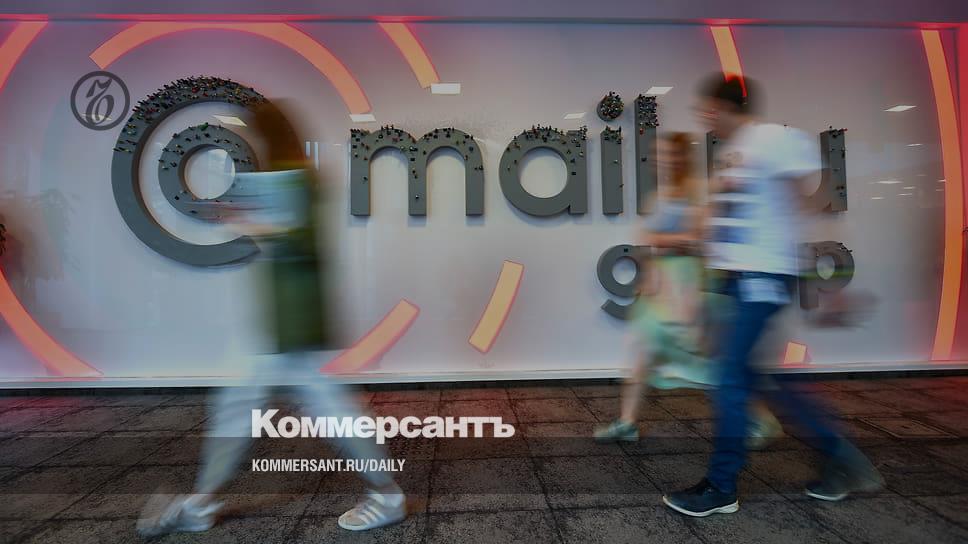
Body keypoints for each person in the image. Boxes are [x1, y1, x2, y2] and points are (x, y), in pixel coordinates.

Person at [137, 100, 406, 536]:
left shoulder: (298, 178)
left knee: (315, 409)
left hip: (287, 327)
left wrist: (249, 222)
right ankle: (201, 502)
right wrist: (251, 221)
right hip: (278, 325)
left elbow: (300, 242)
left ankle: (387, 495)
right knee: (262, 406)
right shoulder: (292, 177)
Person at [662, 75, 882, 517]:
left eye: (706, 108)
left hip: (762, 279)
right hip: (736, 281)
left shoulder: (774, 141)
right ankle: (842, 459)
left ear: (724, 106)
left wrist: (832, 280)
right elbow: (724, 224)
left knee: (730, 378)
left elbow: (805, 206)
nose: (704, 117)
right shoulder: (731, 155)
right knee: (763, 378)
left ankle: (721, 486)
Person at [594, 132, 782, 450]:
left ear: (682, 156)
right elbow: (649, 242)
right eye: (659, 155)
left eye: (669, 154)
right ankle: (627, 422)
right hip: (661, 287)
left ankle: (761, 418)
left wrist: (657, 239)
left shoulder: (697, 190)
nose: (662, 160)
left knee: (706, 360)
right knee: (642, 349)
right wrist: (649, 267)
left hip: (686, 286)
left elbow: (698, 238)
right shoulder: (660, 194)